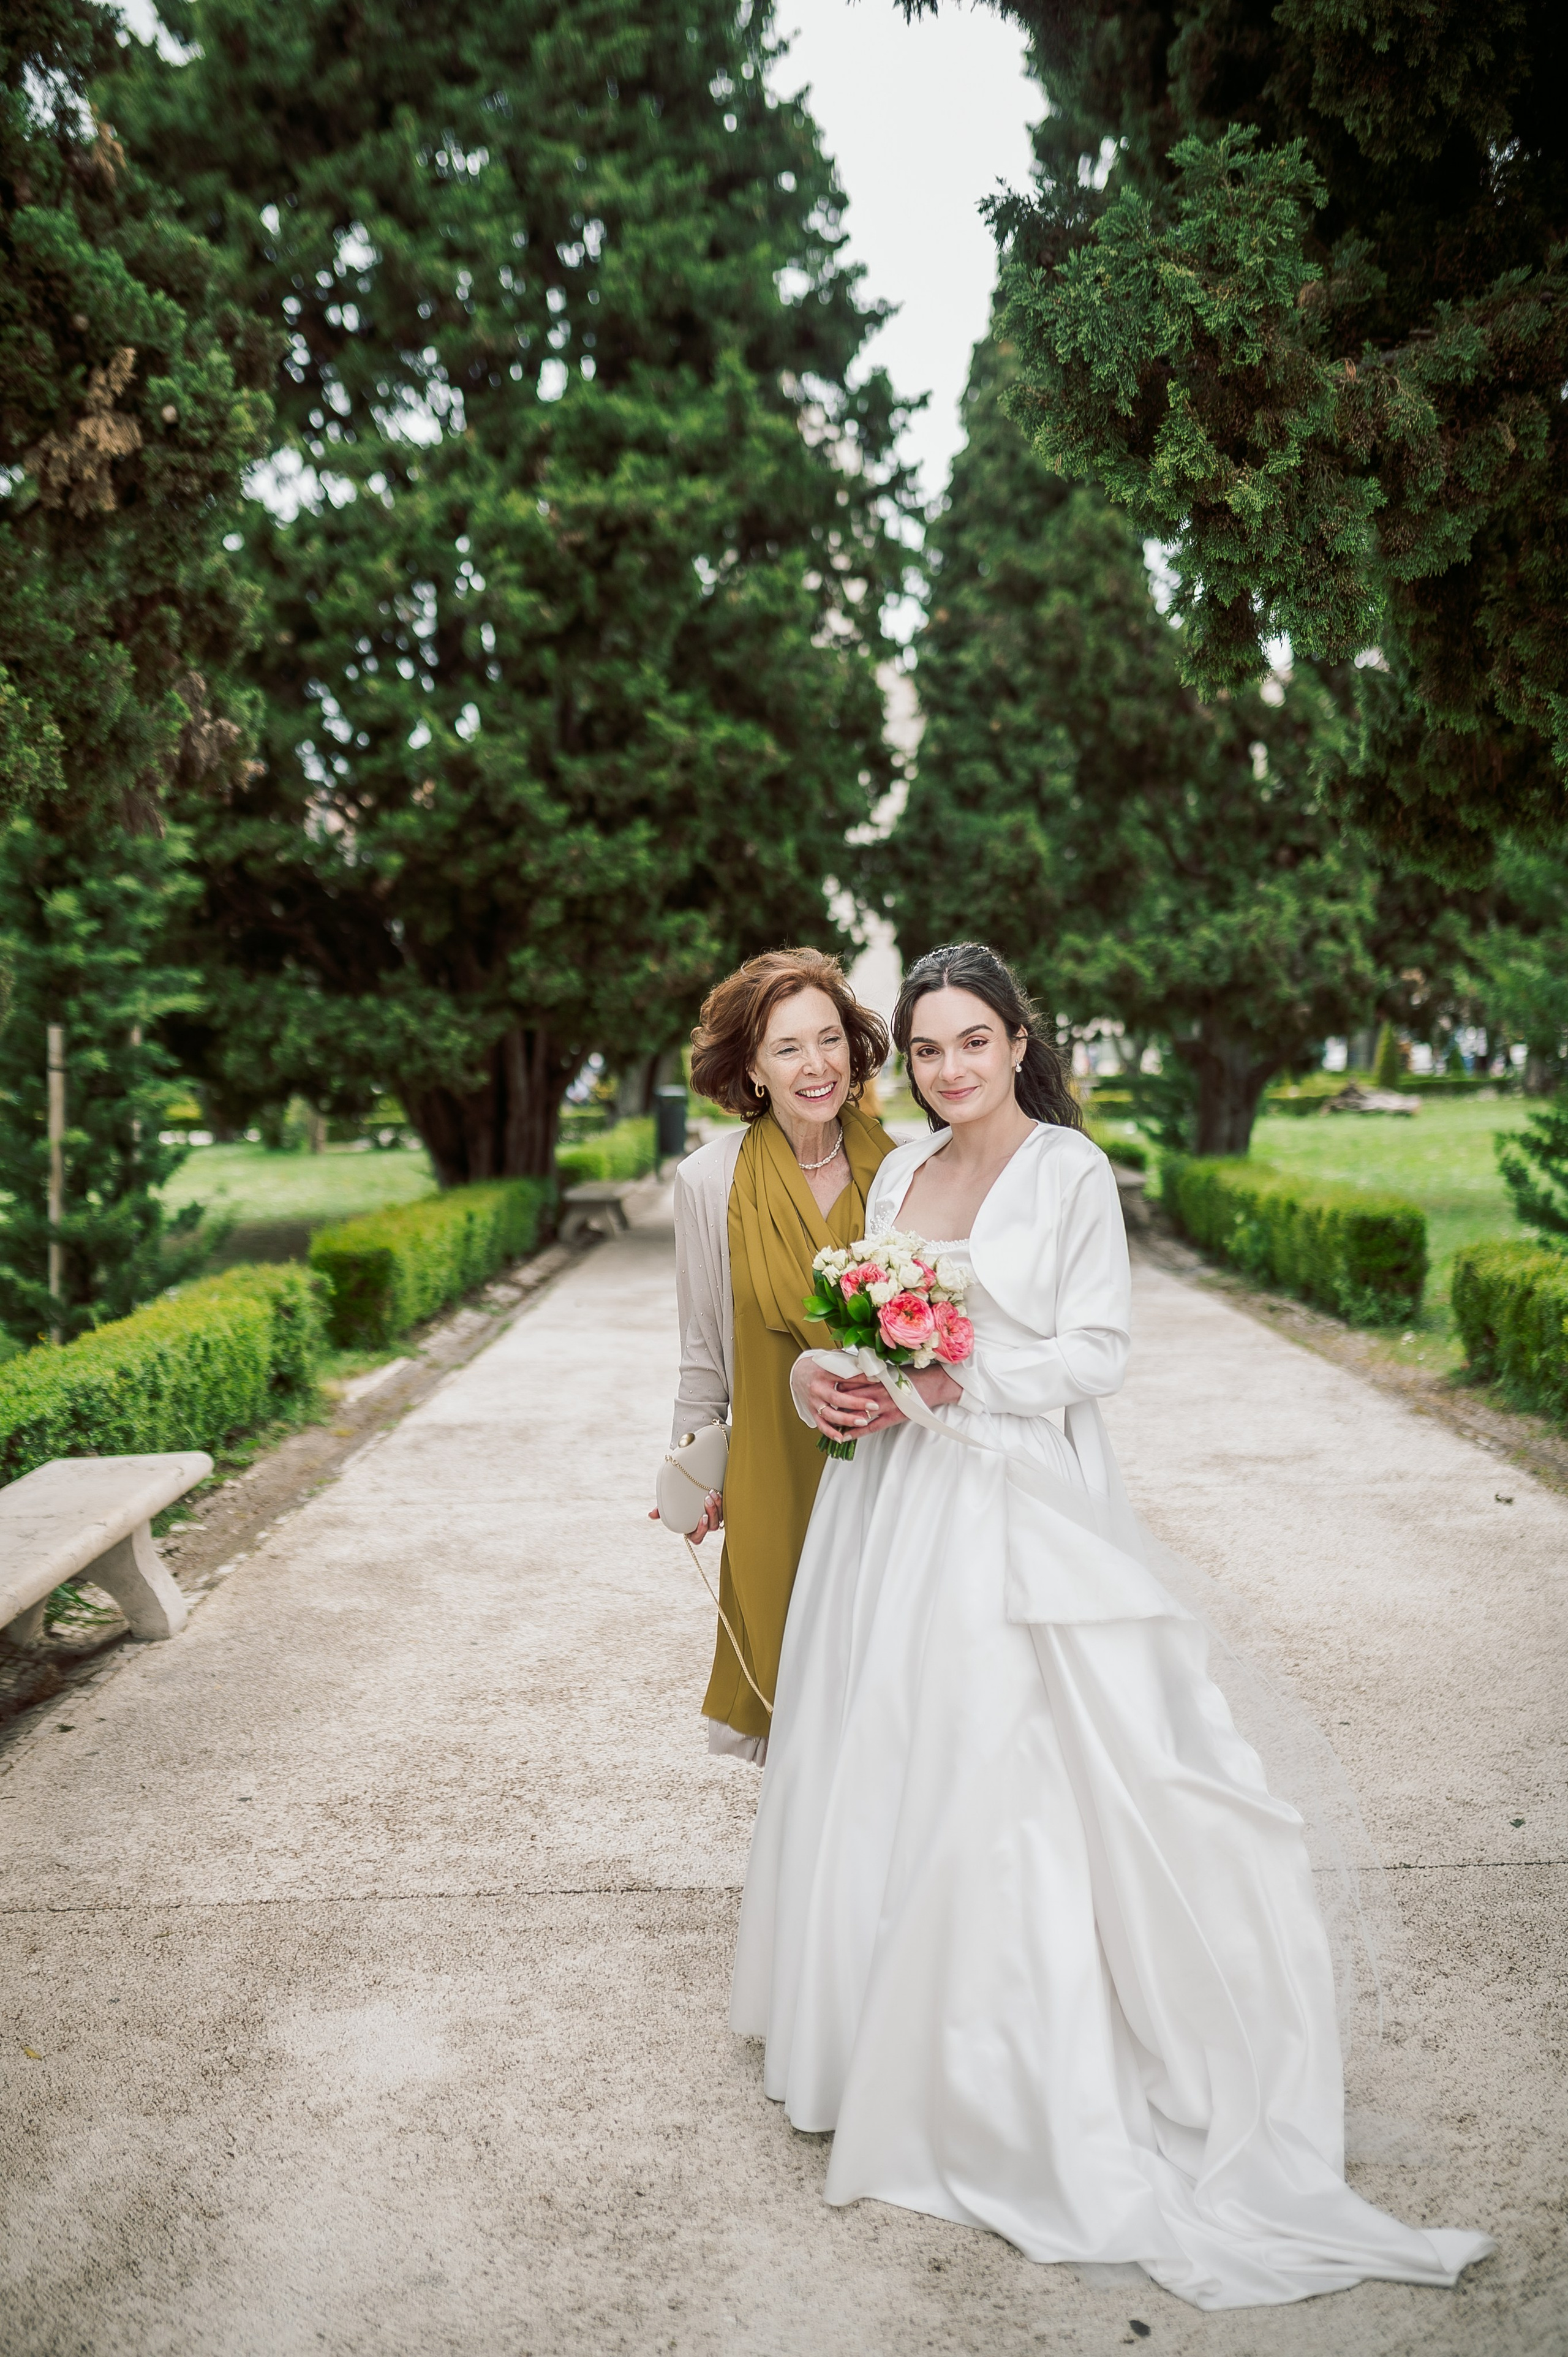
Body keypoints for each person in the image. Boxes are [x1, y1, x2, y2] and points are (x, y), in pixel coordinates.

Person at [731, 940, 1493, 2311]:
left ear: (1020, 1042)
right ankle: (881, 2037)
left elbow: (1096, 1354)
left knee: (1013, 1763)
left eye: (973, 1040)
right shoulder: (899, 1175)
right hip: (889, 1504)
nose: (949, 1068)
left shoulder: (1069, 1173)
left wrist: (958, 1375)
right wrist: (822, 1379)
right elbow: (853, 1328)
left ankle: (1025, 2064)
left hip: (1015, 1497)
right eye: (926, 1047)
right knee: (884, 1747)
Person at [660, 948, 897, 1762]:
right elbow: (702, 1350)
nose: (816, 1065)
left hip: (895, 1464)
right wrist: (692, 1466)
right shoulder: (708, 1181)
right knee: (798, 1681)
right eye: (787, 1048)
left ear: (853, 1047)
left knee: (895, 1677)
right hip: (775, 1472)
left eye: (829, 1039)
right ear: (754, 1069)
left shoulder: (905, 1169)